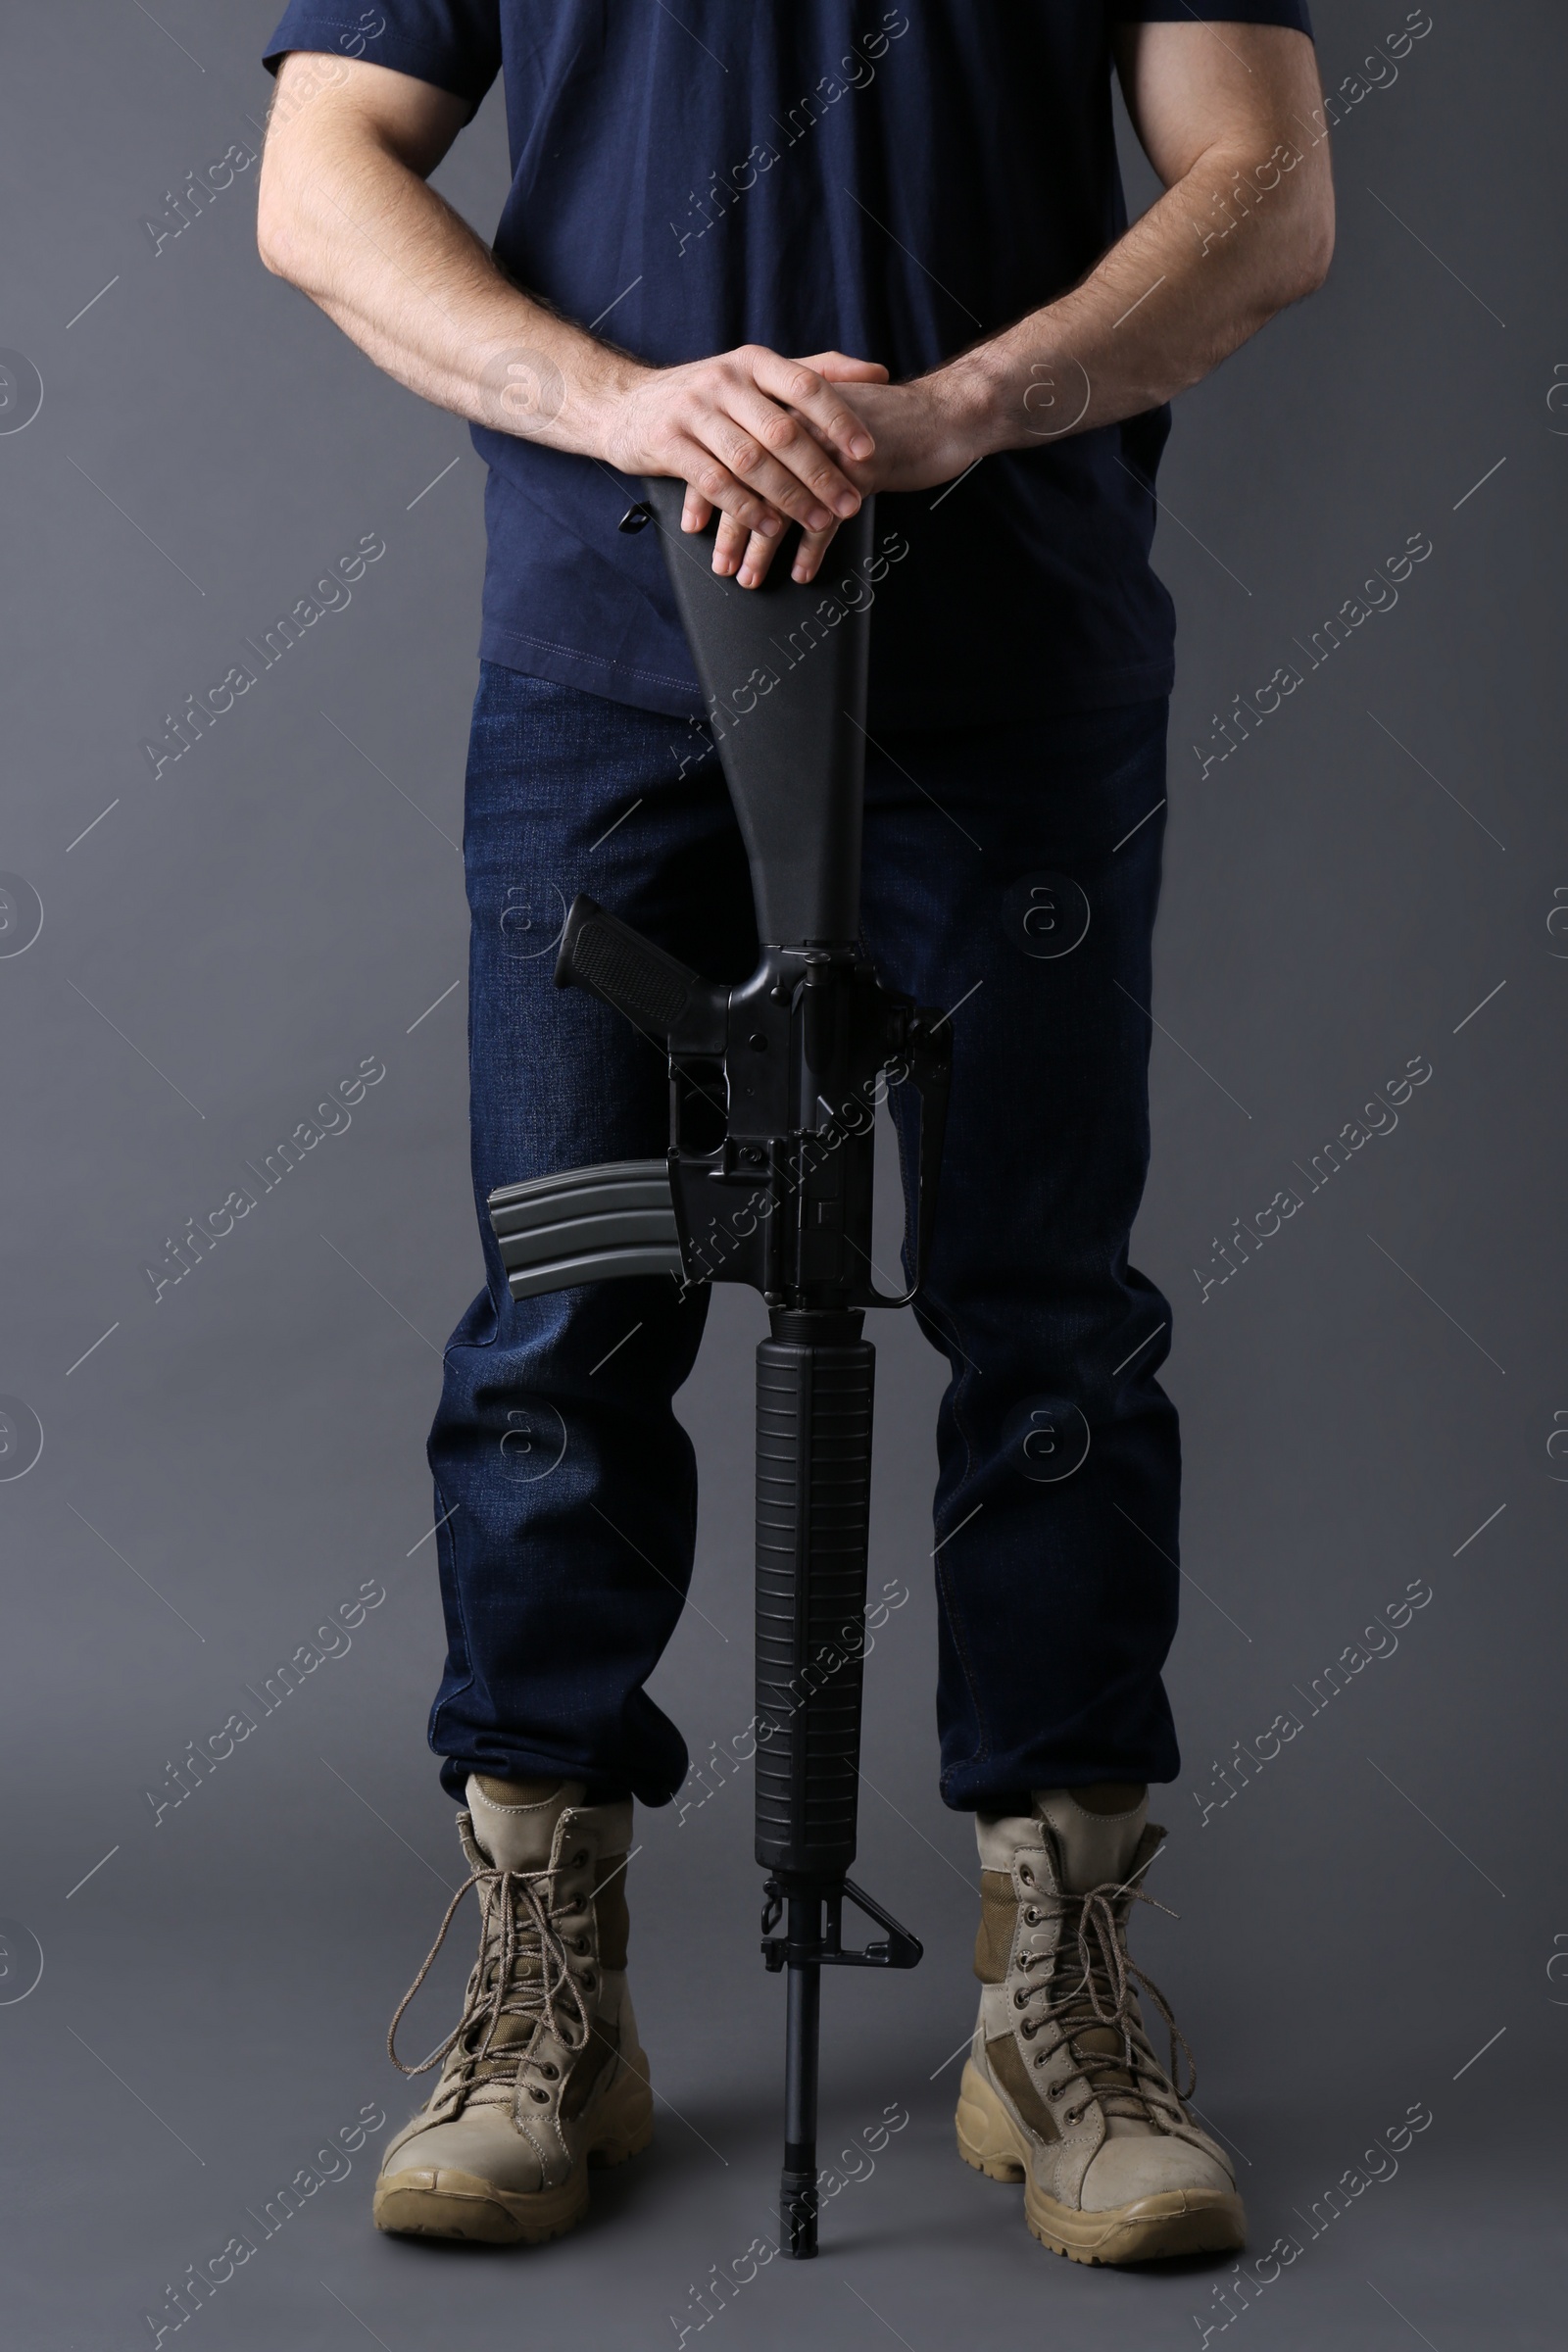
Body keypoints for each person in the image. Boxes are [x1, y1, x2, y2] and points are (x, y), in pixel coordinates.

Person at [258, 0, 1333, 2267]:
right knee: (565, 1311)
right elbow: (319, 182)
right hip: (602, 663)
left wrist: (953, 410)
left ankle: (1059, 2011)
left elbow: (1258, 198)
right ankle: (550, 1999)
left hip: (1009, 666)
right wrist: (634, 409)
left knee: (1047, 1327)